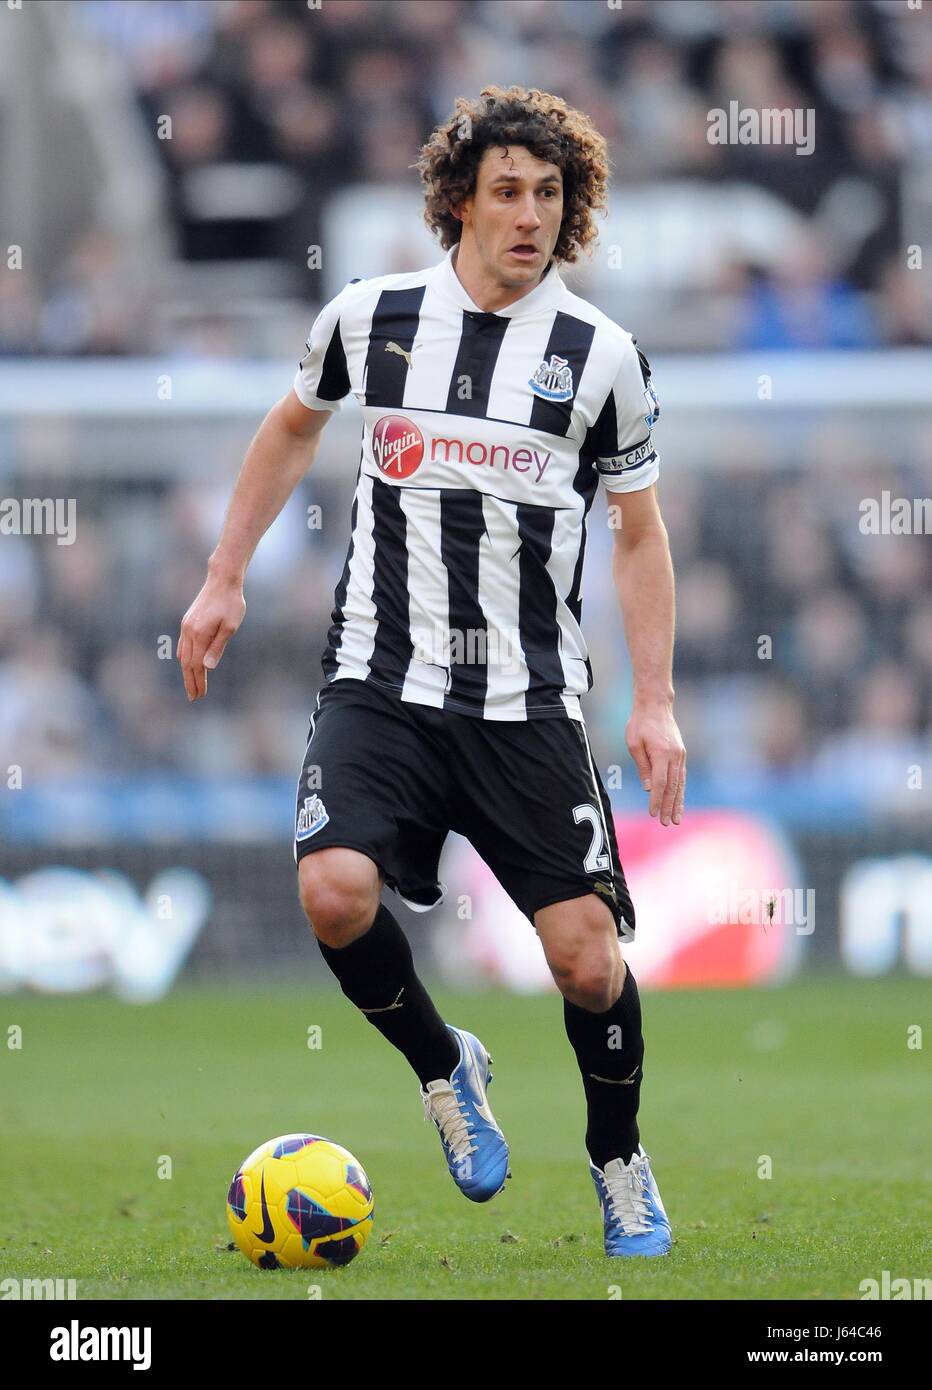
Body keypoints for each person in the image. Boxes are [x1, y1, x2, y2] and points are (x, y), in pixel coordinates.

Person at [178, 86, 686, 1258]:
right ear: (458, 201)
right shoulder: (372, 316)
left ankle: (616, 1157)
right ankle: (443, 1064)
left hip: (524, 704)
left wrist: (652, 700)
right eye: (505, 192)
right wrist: (224, 575)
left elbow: (637, 531)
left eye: (548, 195)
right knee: (332, 890)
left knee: (584, 958)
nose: (528, 215)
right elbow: (291, 427)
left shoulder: (597, 356)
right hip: (380, 680)